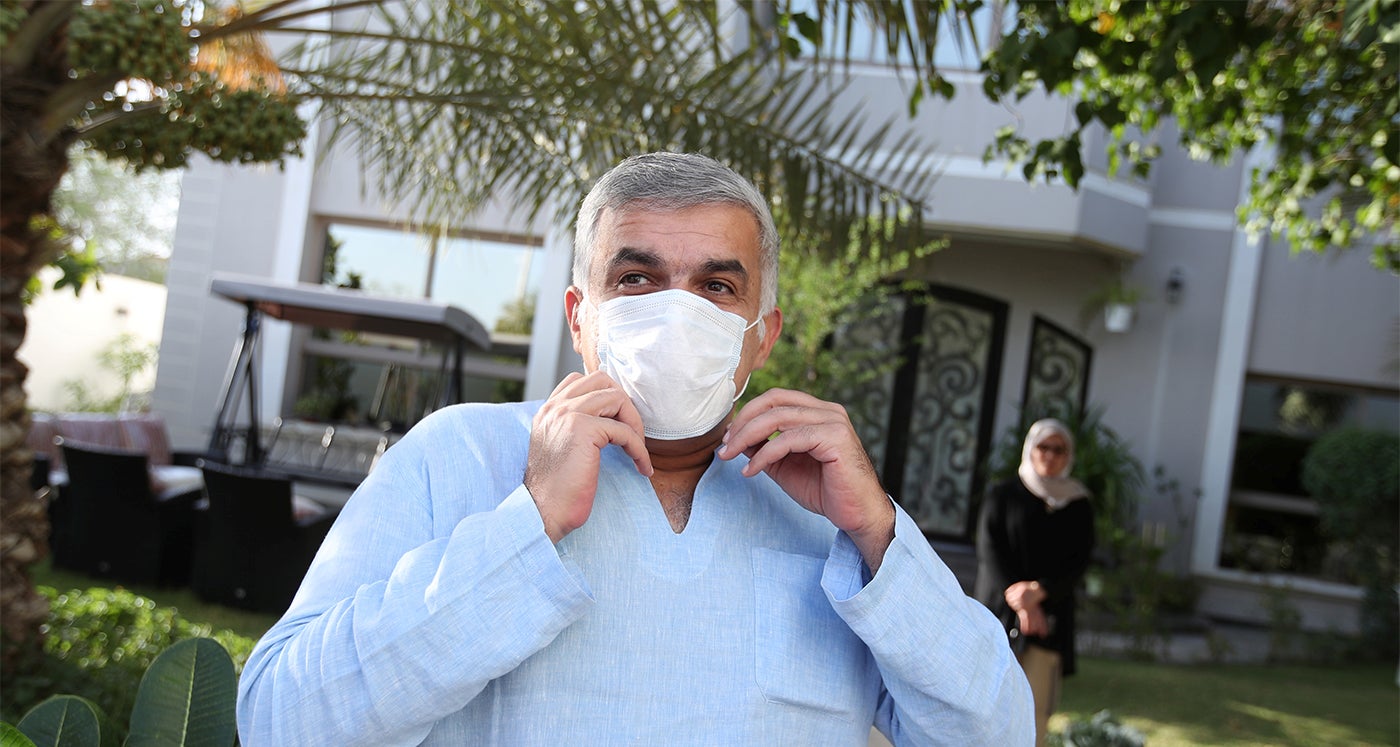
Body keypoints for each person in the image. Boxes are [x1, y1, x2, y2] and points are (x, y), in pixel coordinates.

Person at [237, 152, 1034, 745]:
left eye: (719, 287)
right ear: (581, 315)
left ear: (762, 337)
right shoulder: (462, 454)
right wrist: (529, 524)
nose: (678, 313)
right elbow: (280, 719)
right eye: (638, 278)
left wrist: (879, 535)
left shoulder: (831, 509)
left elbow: (994, 732)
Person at [975, 418, 1096, 747]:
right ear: (1031, 448)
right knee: (986, 707)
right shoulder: (1003, 495)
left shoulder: (1078, 504)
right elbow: (990, 551)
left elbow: (1079, 562)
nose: (1050, 455)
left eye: (1059, 449)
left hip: (1050, 622)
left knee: (1035, 710)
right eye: (1044, 446)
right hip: (999, 617)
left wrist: (1039, 592)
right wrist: (1022, 602)